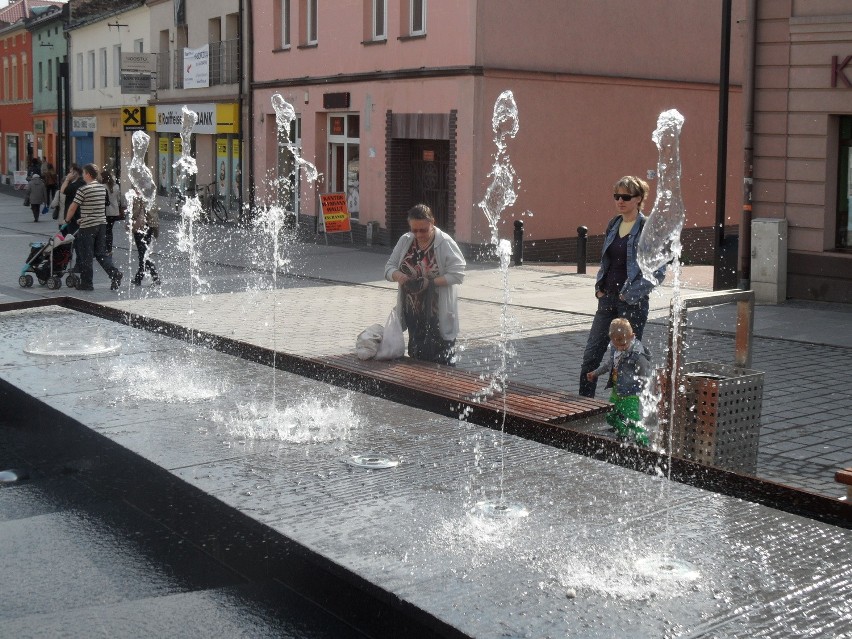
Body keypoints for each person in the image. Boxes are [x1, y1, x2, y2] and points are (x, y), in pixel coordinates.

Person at [578, 176, 665, 398]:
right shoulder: (614, 223)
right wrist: (599, 287)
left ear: (639, 199)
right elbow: (606, 261)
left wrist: (630, 295)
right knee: (591, 355)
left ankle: (624, 413)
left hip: (632, 304)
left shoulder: (647, 227)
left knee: (627, 361)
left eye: (625, 197)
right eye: (617, 196)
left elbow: (659, 270)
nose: (620, 201)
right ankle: (583, 407)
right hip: (607, 299)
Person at [384, 204, 466, 365]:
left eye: (423, 230)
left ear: (432, 223)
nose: (418, 234)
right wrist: (398, 275)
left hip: (438, 314)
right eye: (414, 230)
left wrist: (431, 283)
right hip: (413, 313)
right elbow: (388, 268)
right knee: (416, 359)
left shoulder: (445, 243)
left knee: (442, 362)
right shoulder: (406, 240)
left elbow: (458, 274)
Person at [586, 318, 652, 445]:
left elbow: (646, 374)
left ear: (632, 336)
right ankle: (623, 434)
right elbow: (609, 364)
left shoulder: (637, 355)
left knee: (631, 419)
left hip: (631, 392)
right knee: (611, 414)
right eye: (616, 345)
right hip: (617, 390)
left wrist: (646, 391)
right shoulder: (615, 348)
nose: (620, 348)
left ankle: (643, 442)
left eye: (623, 345)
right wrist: (595, 373)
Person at [64, 163, 123, 292]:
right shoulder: (102, 188)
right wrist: (83, 218)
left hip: (88, 227)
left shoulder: (83, 189)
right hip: (101, 224)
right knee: (101, 253)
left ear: (89, 175)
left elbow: (73, 206)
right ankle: (114, 273)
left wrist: (67, 219)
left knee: (87, 255)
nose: (83, 176)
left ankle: (87, 283)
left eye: (84, 173)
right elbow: (96, 207)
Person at [129, 189, 160, 286]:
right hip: (150, 226)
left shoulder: (138, 197)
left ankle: (155, 277)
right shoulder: (151, 196)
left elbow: (135, 212)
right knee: (144, 252)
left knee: (143, 254)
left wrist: (130, 221)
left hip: (140, 227)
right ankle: (139, 277)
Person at [100, 171, 125, 255]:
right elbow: (118, 199)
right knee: (109, 230)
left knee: (104, 231)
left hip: (105, 211)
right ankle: (109, 249)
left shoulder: (102, 186)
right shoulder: (116, 186)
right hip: (114, 212)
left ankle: (105, 248)